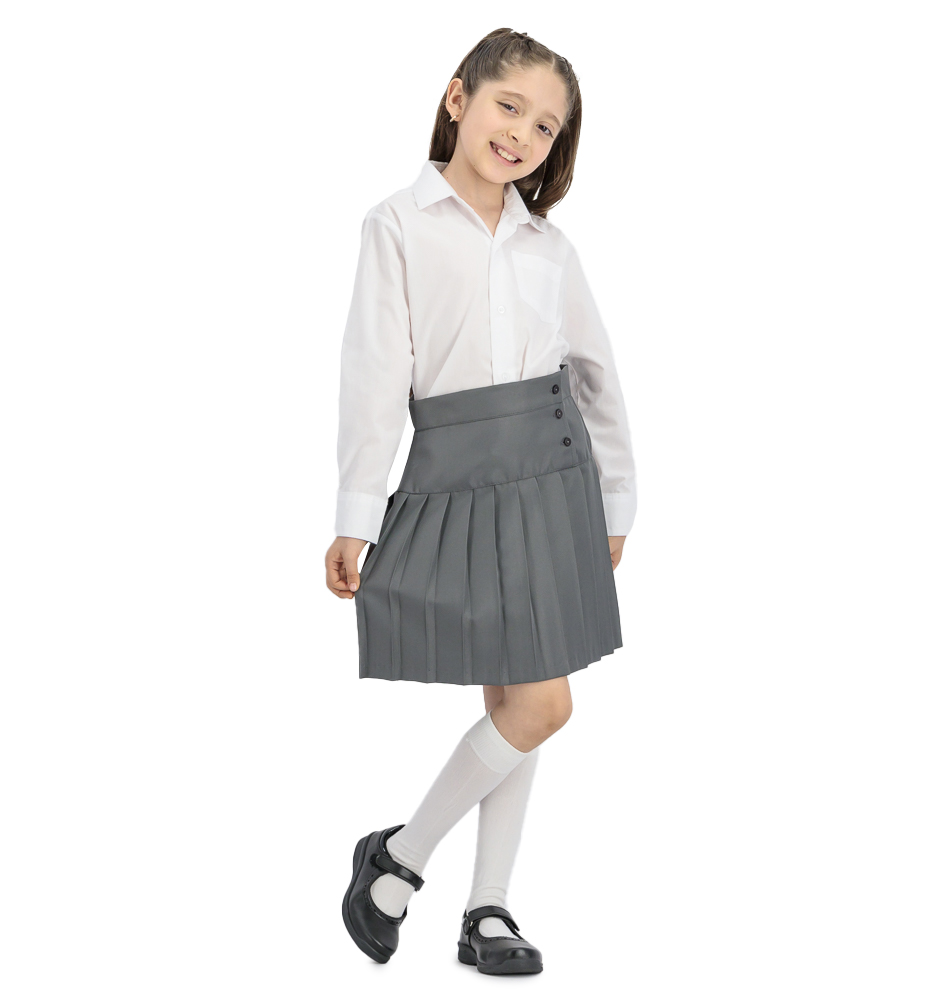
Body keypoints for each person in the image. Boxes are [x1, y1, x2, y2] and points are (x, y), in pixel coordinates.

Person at [326, 28, 637, 975]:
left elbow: (596, 377)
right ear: (458, 99)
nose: (523, 135)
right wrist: (356, 514)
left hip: (553, 478)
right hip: (457, 474)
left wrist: (616, 500)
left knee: (531, 698)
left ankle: (453, 890)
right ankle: (416, 868)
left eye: (546, 128)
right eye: (510, 107)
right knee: (525, 699)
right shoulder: (396, 225)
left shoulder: (550, 247)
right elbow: (375, 374)